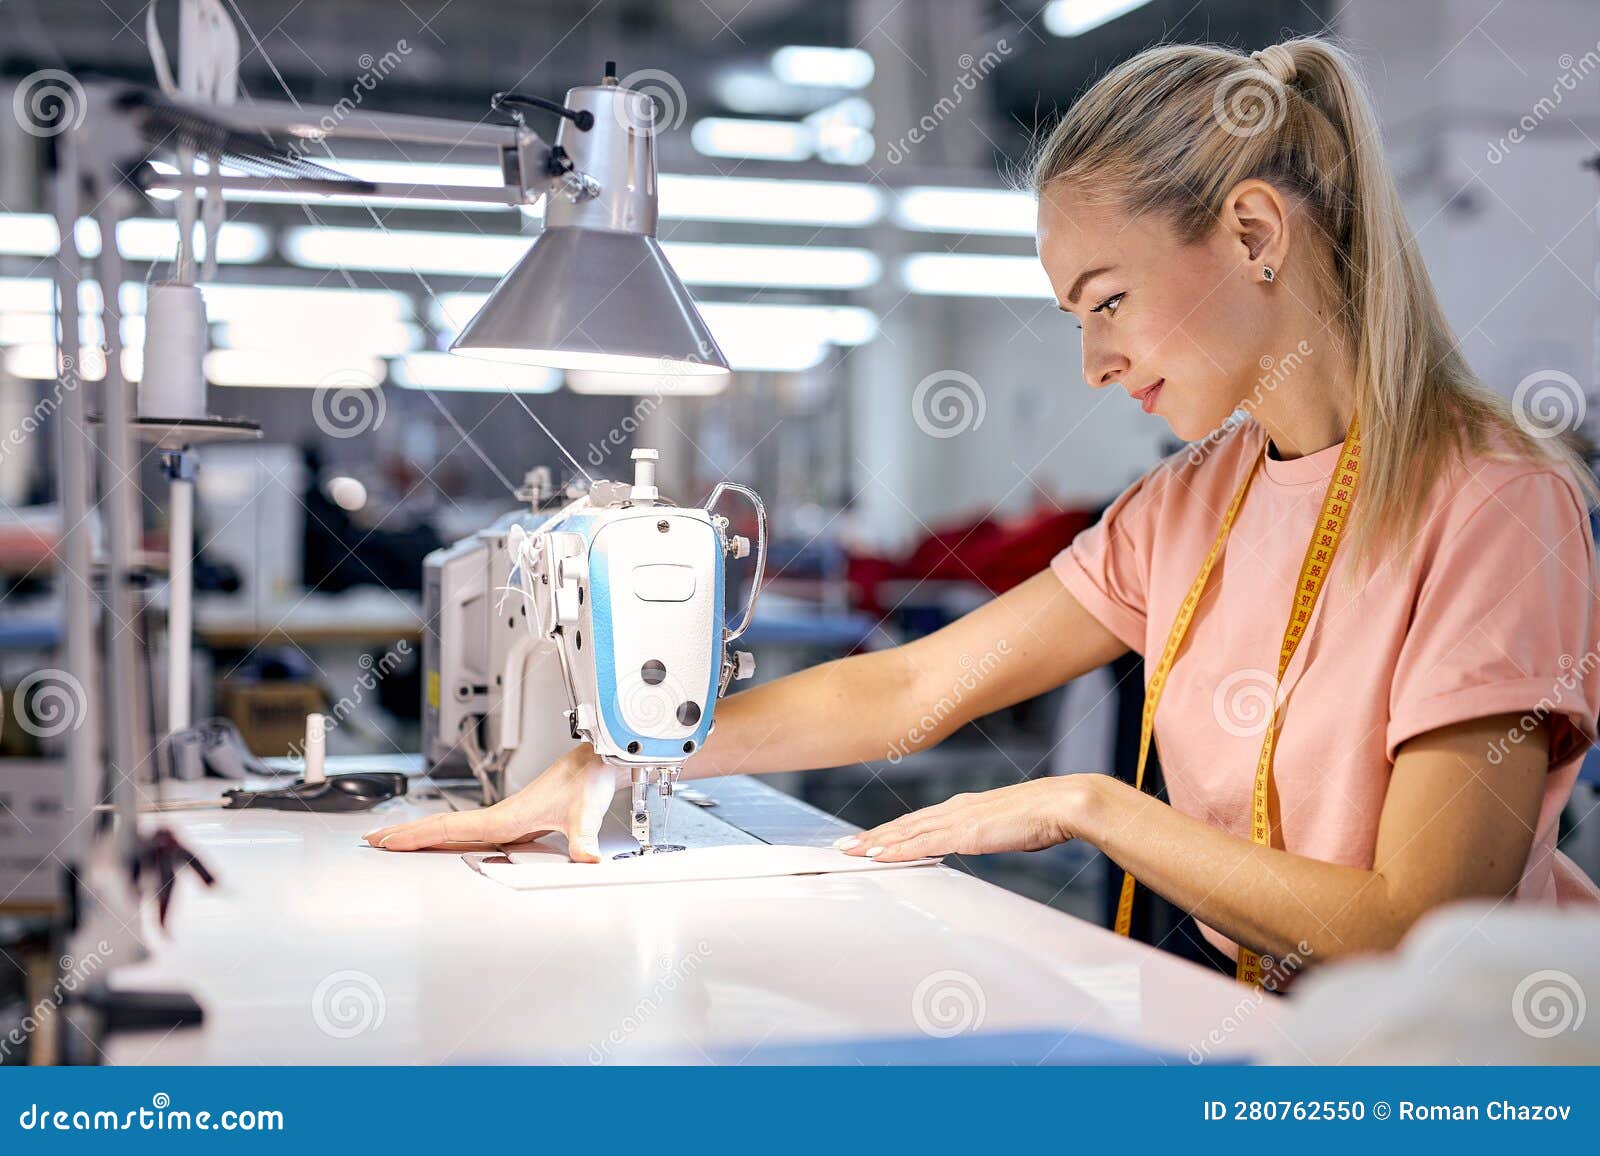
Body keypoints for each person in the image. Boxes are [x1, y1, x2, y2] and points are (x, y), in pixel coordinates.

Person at [366, 36, 1600, 982]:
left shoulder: (1496, 505)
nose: (1092, 365)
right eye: (1074, 317)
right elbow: (913, 686)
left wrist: (1086, 804)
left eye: (1106, 302)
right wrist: (626, 751)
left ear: (1251, 231)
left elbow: (1413, 926)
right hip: (1261, 1029)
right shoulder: (1189, 503)